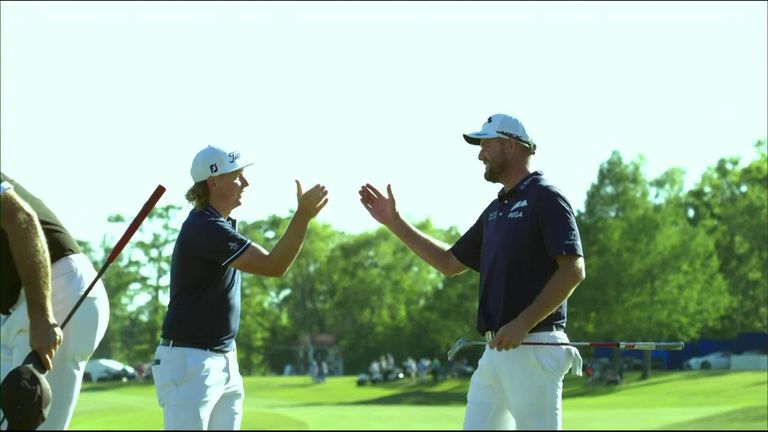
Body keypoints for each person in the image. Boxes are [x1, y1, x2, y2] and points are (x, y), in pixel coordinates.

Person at [358, 113, 586, 430]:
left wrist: (522, 323)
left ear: (511, 145)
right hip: (497, 351)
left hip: (534, 346)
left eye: (486, 145)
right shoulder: (496, 210)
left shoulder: (546, 197)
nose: (480, 154)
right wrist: (394, 222)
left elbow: (573, 270)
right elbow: (449, 263)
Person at [151, 145, 328, 430]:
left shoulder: (219, 225)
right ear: (213, 181)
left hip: (223, 360)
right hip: (190, 362)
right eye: (237, 176)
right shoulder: (205, 227)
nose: (245, 182)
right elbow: (274, 266)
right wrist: (303, 216)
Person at [0, 173, 110, 430]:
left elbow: (21, 218)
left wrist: (41, 317)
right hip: (14, 306)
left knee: (28, 422)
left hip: (55, 288)